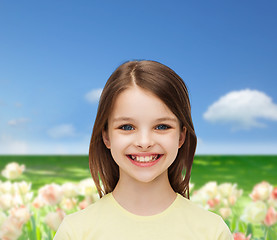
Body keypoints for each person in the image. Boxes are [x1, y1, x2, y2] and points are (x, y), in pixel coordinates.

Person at [54, 60, 233, 239]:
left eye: (162, 127)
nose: (144, 142)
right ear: (106, 136)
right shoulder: (75, 231)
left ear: (181, 136)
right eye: (127, 127)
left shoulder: (212, 231)